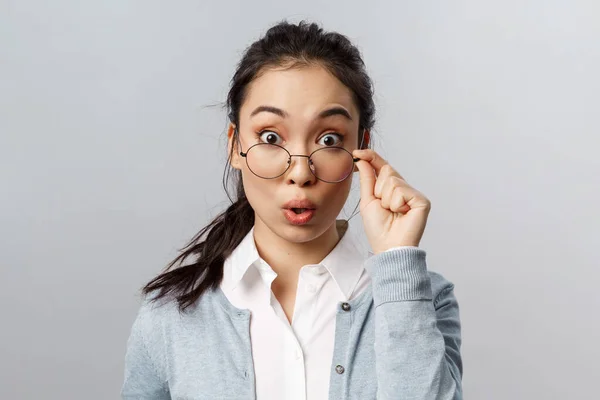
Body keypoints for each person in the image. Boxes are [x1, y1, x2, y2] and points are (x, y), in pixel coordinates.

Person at [121, 20, 463, 400]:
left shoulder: (421, 299)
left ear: (361, 150)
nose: (300, 172)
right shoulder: (170, 316)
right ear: (235, 145)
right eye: (270, 137)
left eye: (330, 139)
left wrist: (397, 261)